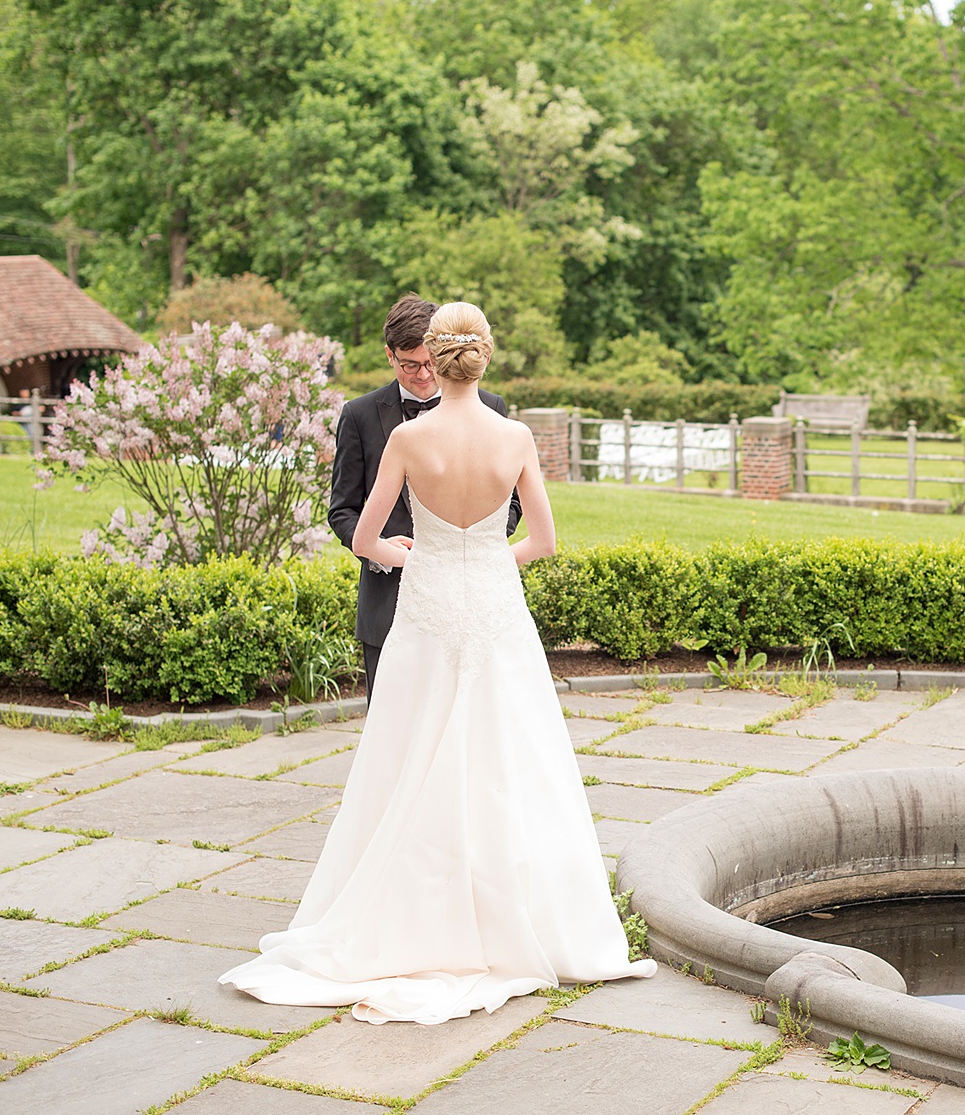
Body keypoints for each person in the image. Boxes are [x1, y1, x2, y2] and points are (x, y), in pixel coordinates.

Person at [220, 302, 655, 1023]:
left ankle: (409, 912)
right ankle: (526, 917)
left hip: (424, 615)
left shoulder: (409, 438)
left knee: (407, 757)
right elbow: (541, 540)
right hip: (491, 612)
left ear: (436, 356)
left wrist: (413, 557)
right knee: (510, 759)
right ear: (485, 357)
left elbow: (364, 535)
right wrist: (485, 562)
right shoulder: (513, 435)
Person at [327, 294, 521, 701]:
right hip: (389, 601)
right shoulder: (359, 416)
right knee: (394, 727)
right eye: (408, 364)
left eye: (429, 363)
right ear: (389, 356)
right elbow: (343, 508)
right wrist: (376, 551)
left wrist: (475, 542)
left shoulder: (492, 408)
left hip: (473, 597)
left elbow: (513, 502)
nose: (422, 374)